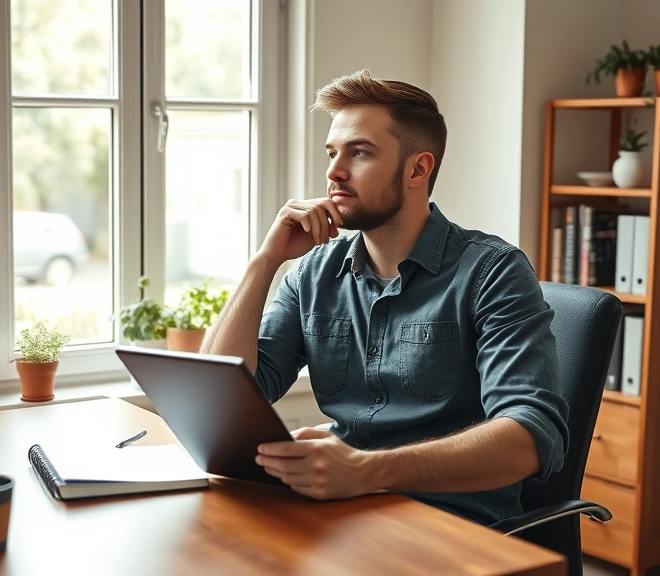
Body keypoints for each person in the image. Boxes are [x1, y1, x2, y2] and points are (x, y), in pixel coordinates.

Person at [200, 69, 568, 526]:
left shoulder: (493, 272)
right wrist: (264, 262)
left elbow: (532, 438)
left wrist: (363, 469)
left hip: (450, 527)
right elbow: (219, 400)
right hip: (341, 511)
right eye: (332, 153)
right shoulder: (315, 272)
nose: (334, 171)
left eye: (359, 153)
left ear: (418, 168)